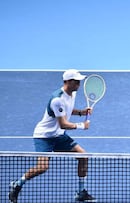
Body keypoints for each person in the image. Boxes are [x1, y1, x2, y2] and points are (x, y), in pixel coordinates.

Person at [9, 69, 96, 202]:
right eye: (76, 81)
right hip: (44, 136)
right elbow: (63, 124)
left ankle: (81, 192)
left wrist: (80, 112)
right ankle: (18, 184)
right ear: (67, 82)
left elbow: (66, 110)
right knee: (42, 167)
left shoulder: (71, 94)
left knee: (83, 156)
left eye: (79, 81)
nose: (79, 84)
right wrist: (81, 125)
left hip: (59, 136)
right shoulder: (57, 99)